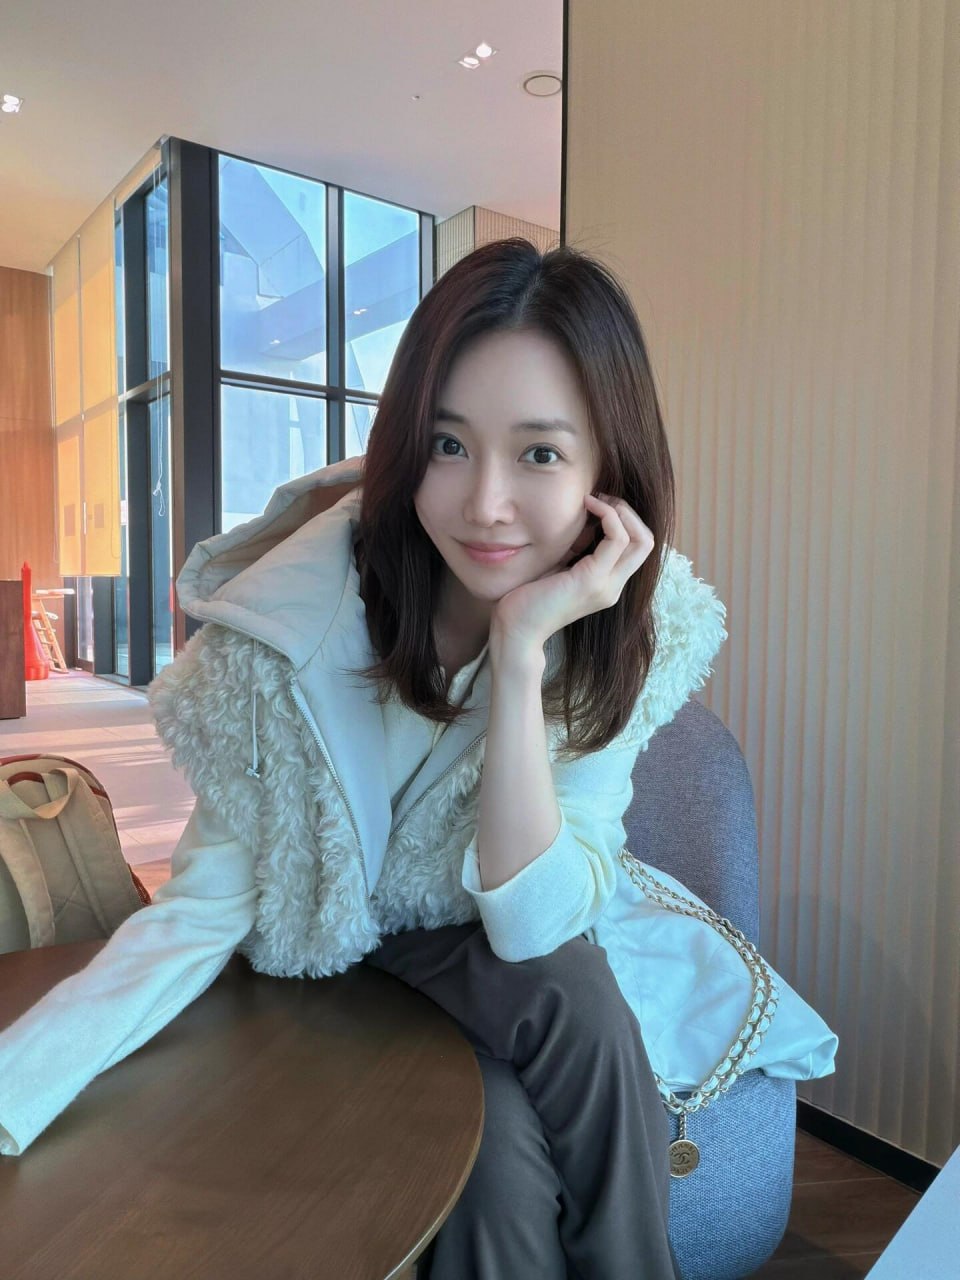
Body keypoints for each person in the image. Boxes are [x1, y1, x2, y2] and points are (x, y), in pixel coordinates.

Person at [0, 239, 837, 1279]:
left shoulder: (626, 634)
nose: (485, 503)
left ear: (607, 475)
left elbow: (533, 922)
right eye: (449, 443)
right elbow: (202, 909)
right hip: (327, 961)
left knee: (537, 1072)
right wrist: (16, 1088)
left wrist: (522, 655)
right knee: (539, 1072)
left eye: (539, 454)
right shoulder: (287, 638)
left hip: (490, 949)